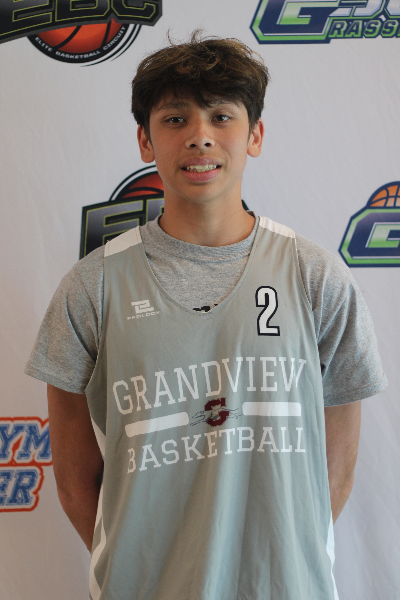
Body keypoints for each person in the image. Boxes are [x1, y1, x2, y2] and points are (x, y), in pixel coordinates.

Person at [25, 32, 387, 600]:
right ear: (145, 140)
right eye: (175, 119)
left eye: (221, 116)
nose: (199, 136)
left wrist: (286, 553)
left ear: (255, 135)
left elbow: (336, 465)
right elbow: (73, 480)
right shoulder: (93, 286)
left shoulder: (313, 275)